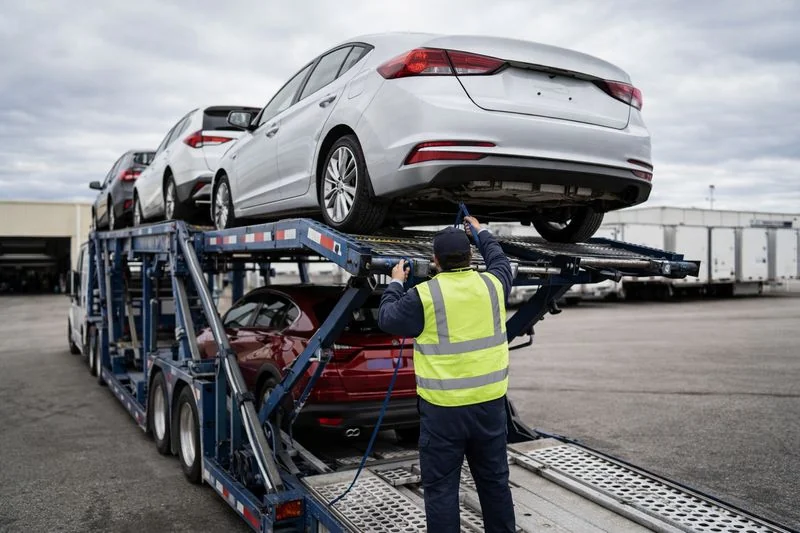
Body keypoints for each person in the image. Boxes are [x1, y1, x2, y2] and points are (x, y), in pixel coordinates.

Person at [378, 216, 515, 533]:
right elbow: (499, 259)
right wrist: (481, 232)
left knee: (441, 490)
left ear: (435, 261)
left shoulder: (424, 295)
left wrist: (395, 282)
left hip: (443, 413)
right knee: (495, 482)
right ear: (470, 256)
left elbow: (387, 318)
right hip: (490, 407)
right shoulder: (494, 285)